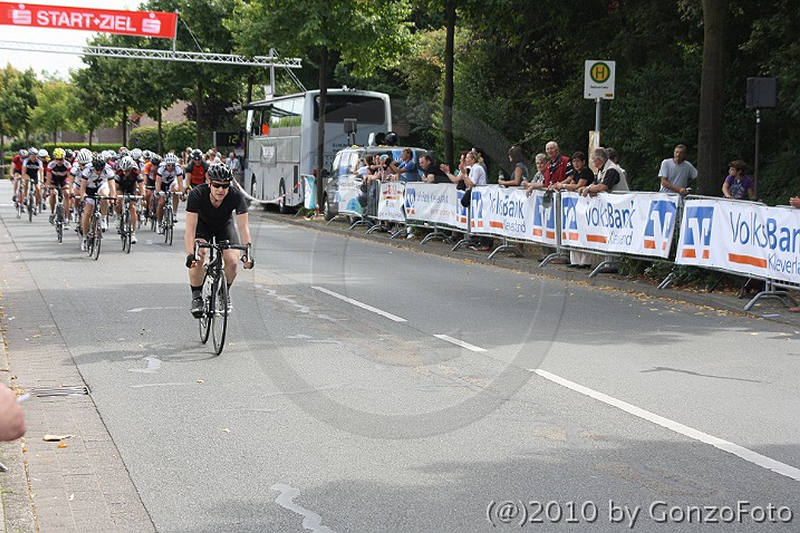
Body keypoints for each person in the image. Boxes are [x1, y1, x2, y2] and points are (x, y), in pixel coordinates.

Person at [184, 164, 254, 317]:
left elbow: (244, 227)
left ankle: (224, 292)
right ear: (209, 183)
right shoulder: (196, 194)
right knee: (199, 254)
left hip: (224, 226)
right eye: (216, 185)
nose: (220, 190)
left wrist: (247, 253)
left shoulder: (236, 195)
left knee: (232, 261)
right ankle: (196, 296)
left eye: (225, 186)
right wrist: (190, 253)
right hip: (202, 226)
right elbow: (190, 228)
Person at [78, 155, 116, 251]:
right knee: (87, 213)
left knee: (104, 196)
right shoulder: (87, 170)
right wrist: (83, 197)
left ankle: (103, 218)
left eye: (101, 169)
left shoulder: (108, 170)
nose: (99, 172)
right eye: (97, 169)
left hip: (101, 186)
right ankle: (85, 237)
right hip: (89, 188)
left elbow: (112, 187)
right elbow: (82, 187)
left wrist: (113, 198)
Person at [114, 156, 145, 243]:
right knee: (118, 200)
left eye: (127, 171)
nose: (125, 172)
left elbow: (141, 185)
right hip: (121, 187)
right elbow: (115, 186)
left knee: (133, 208)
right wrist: (115, 197)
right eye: (124, 170)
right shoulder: (119, 172)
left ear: (131, 169)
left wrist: (143, 197)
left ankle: (133, 232)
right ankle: (119, 216)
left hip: (131, 187)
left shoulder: (135, 171)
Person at [155, 153, 185, 232]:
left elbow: (180, 181)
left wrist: (182, 192)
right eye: (169, 165)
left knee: (176, 191)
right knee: (161, 203)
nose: (171, 167)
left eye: (172, 165)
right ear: (166, 164)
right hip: (162, 183)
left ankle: (174, 213)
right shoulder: (161, 168)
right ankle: (159, 223)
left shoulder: (178, 168)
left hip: (171, 182)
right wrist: (158, 192)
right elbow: (158, 181)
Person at [45, 148, 73, 226]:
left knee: (67, 193)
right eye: (57, 159)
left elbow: (69, 178)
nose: (59, 161)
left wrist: (70, 189)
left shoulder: (67, 164)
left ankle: (66, 217)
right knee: (53, 193)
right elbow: (48, 178)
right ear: (54, 158)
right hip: (54, 179)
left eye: (61, 159)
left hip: (64, 179)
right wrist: (48, 188)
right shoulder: (51, 164)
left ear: (64, 158)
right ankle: (52, 212)